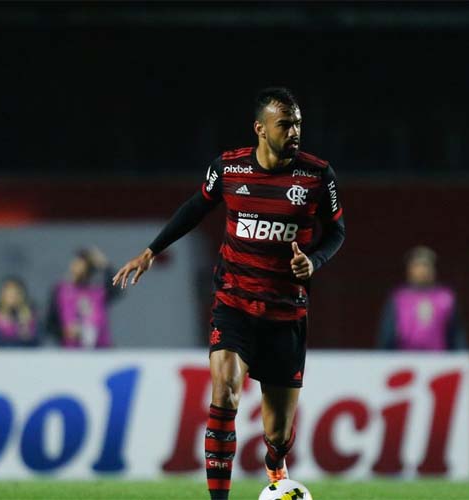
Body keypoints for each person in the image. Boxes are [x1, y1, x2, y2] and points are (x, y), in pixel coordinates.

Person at [112, 87, 345, 500]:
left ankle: (275, 461)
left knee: (277, 432)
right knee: (224, 393)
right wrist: (151, 251)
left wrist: (315, 262)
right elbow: (195, 207)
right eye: (285, 124)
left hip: (286, 313)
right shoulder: (229, 168)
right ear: (260, 128)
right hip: (234, 303)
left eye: (298, 125)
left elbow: (337, 231)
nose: (295, 132)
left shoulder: (316, 175)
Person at [377, 246, 467, 351]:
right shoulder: (399, 298)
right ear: (409, 269)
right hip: (405, 359)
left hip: (439, 360)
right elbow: (386, 334)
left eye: (426, 265)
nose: (422, 270)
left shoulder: (446, 297)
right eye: (417, 265)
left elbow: (457, 335)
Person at [48, 247, 121, 348]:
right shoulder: (61, 291)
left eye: (80, 265)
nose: (74, 268)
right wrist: (63, 333)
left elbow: (118, 290)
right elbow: (50, 323)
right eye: (74, 264)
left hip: (101, 350)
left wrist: (106, 265)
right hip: (71, 353)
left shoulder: (98, 291)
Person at [0, 276, 39, 347]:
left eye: (16, 293)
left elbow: (37, 342)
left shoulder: (29, 315)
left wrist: (26, 329)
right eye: (8, 293)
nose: (12, 297)